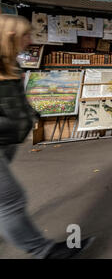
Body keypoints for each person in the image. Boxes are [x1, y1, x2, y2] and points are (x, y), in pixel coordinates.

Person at [0, 14, 94, 259]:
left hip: (7, 142)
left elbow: (13, 102)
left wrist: (28, 114)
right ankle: (45, 252)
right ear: (10, 36)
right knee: (10, 200)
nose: (30, 41)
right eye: (26, 35)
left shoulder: (10, 64)